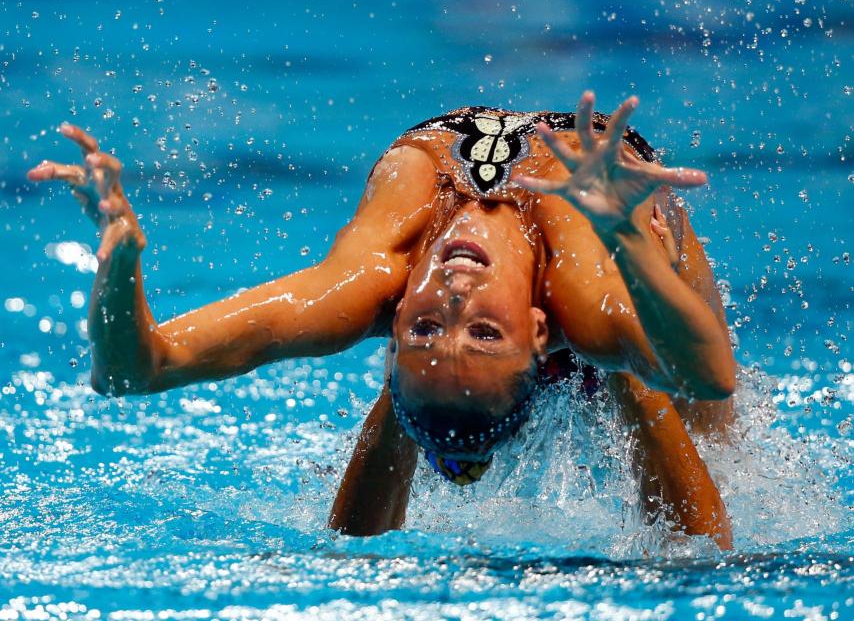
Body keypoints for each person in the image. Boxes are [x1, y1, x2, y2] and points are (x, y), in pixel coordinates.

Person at [27, 91, 735, 550]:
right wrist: (628, 237)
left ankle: (420, 394)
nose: (455, 299)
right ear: (538, 329)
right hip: (617, 257)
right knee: (635, 369)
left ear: (395, 322)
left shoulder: (369, 284)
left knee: (430, 387)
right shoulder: (583, 290)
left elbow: (133, 371)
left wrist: (118, 259)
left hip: (470, 336)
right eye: (484, 330)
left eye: (426, 326)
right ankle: (452, 392)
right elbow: (708, 375)